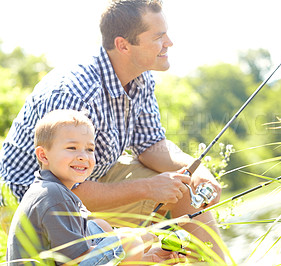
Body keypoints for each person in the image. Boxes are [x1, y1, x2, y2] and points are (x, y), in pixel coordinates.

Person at [0, 0, 224, 260]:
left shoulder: (141, 77)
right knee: (124, 247)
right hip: (40, 200)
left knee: (184, 186)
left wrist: (198, 171)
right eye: (158, 37)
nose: (169, 43)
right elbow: (65, 187)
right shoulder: (77, 94)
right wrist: (148, 189)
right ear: (123, 45)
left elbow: (151, 144)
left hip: (89, 176)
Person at [6, 110, 186, 265]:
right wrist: (140, 239)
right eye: (72, 147)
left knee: (100, 226)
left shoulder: (54, 189)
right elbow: (73, 261)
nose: (83, 156)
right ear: (43, 156)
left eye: (89, 149)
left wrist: (147, 259)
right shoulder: (52, 195)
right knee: (128, 242)